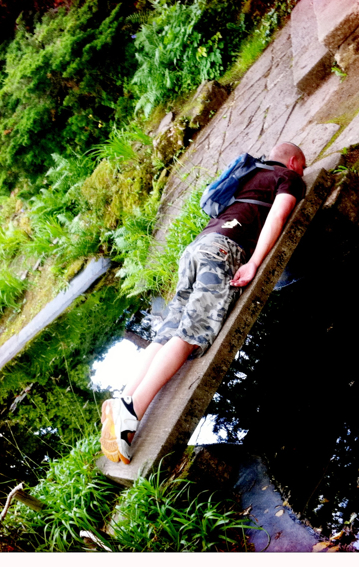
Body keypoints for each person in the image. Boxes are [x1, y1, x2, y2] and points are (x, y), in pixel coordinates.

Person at [101, 142, 306, 463]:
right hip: (224, 250)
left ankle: (122, 399)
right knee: (190, 336)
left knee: (167, 334)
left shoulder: (252, 172)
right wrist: (253, 262)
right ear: (293, 162)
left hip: (197, 249)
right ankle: (132, 411)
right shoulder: (288, 177)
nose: (303, 173)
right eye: (303, 167)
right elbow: (278, 215)